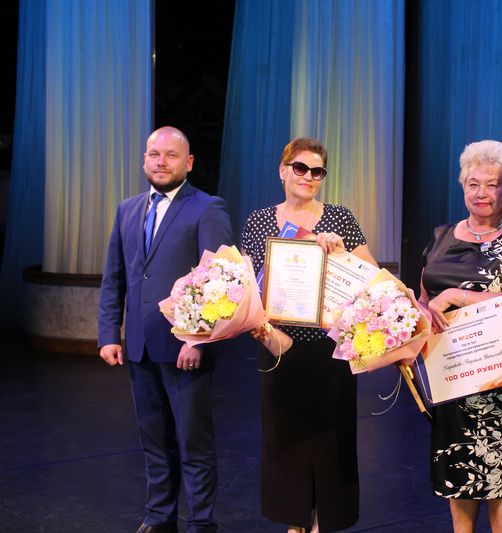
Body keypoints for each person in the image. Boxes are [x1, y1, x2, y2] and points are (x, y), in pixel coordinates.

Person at [98, 126, 234, 532]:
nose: (161, 162)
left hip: (185, 350)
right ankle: (160, 517)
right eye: (154, 154)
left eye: (171, 155)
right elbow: (115, 277)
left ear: (188, 163)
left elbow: (221, 279)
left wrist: (198, 339)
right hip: (140, 347)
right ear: (144, 159)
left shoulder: (207, 208)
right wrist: (109, 334)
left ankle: (201, 523)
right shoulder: (127, 209)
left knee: (193, 443)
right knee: (154, 442)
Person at [241, 137, 378, 533]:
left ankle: (323, 521)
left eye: (317, 171)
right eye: (300, 168)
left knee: (332, 438)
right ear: (283, 171)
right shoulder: (259, 221)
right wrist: (255, 323)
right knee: (284, 436)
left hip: (331, 350)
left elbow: (371, 278)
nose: (308, 176)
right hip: (277, 345)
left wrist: (342, 254)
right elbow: (247, 282)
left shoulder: (339, 218)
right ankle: (295, 520)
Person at [418, 140, 502, 533]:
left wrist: (456, 295)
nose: (481, 193)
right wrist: (417, 314)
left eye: (492, 184)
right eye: (473, 184)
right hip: (449, 376)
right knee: (458, 473)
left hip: (497, 378)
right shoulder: (441, 234)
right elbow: (424, 299)